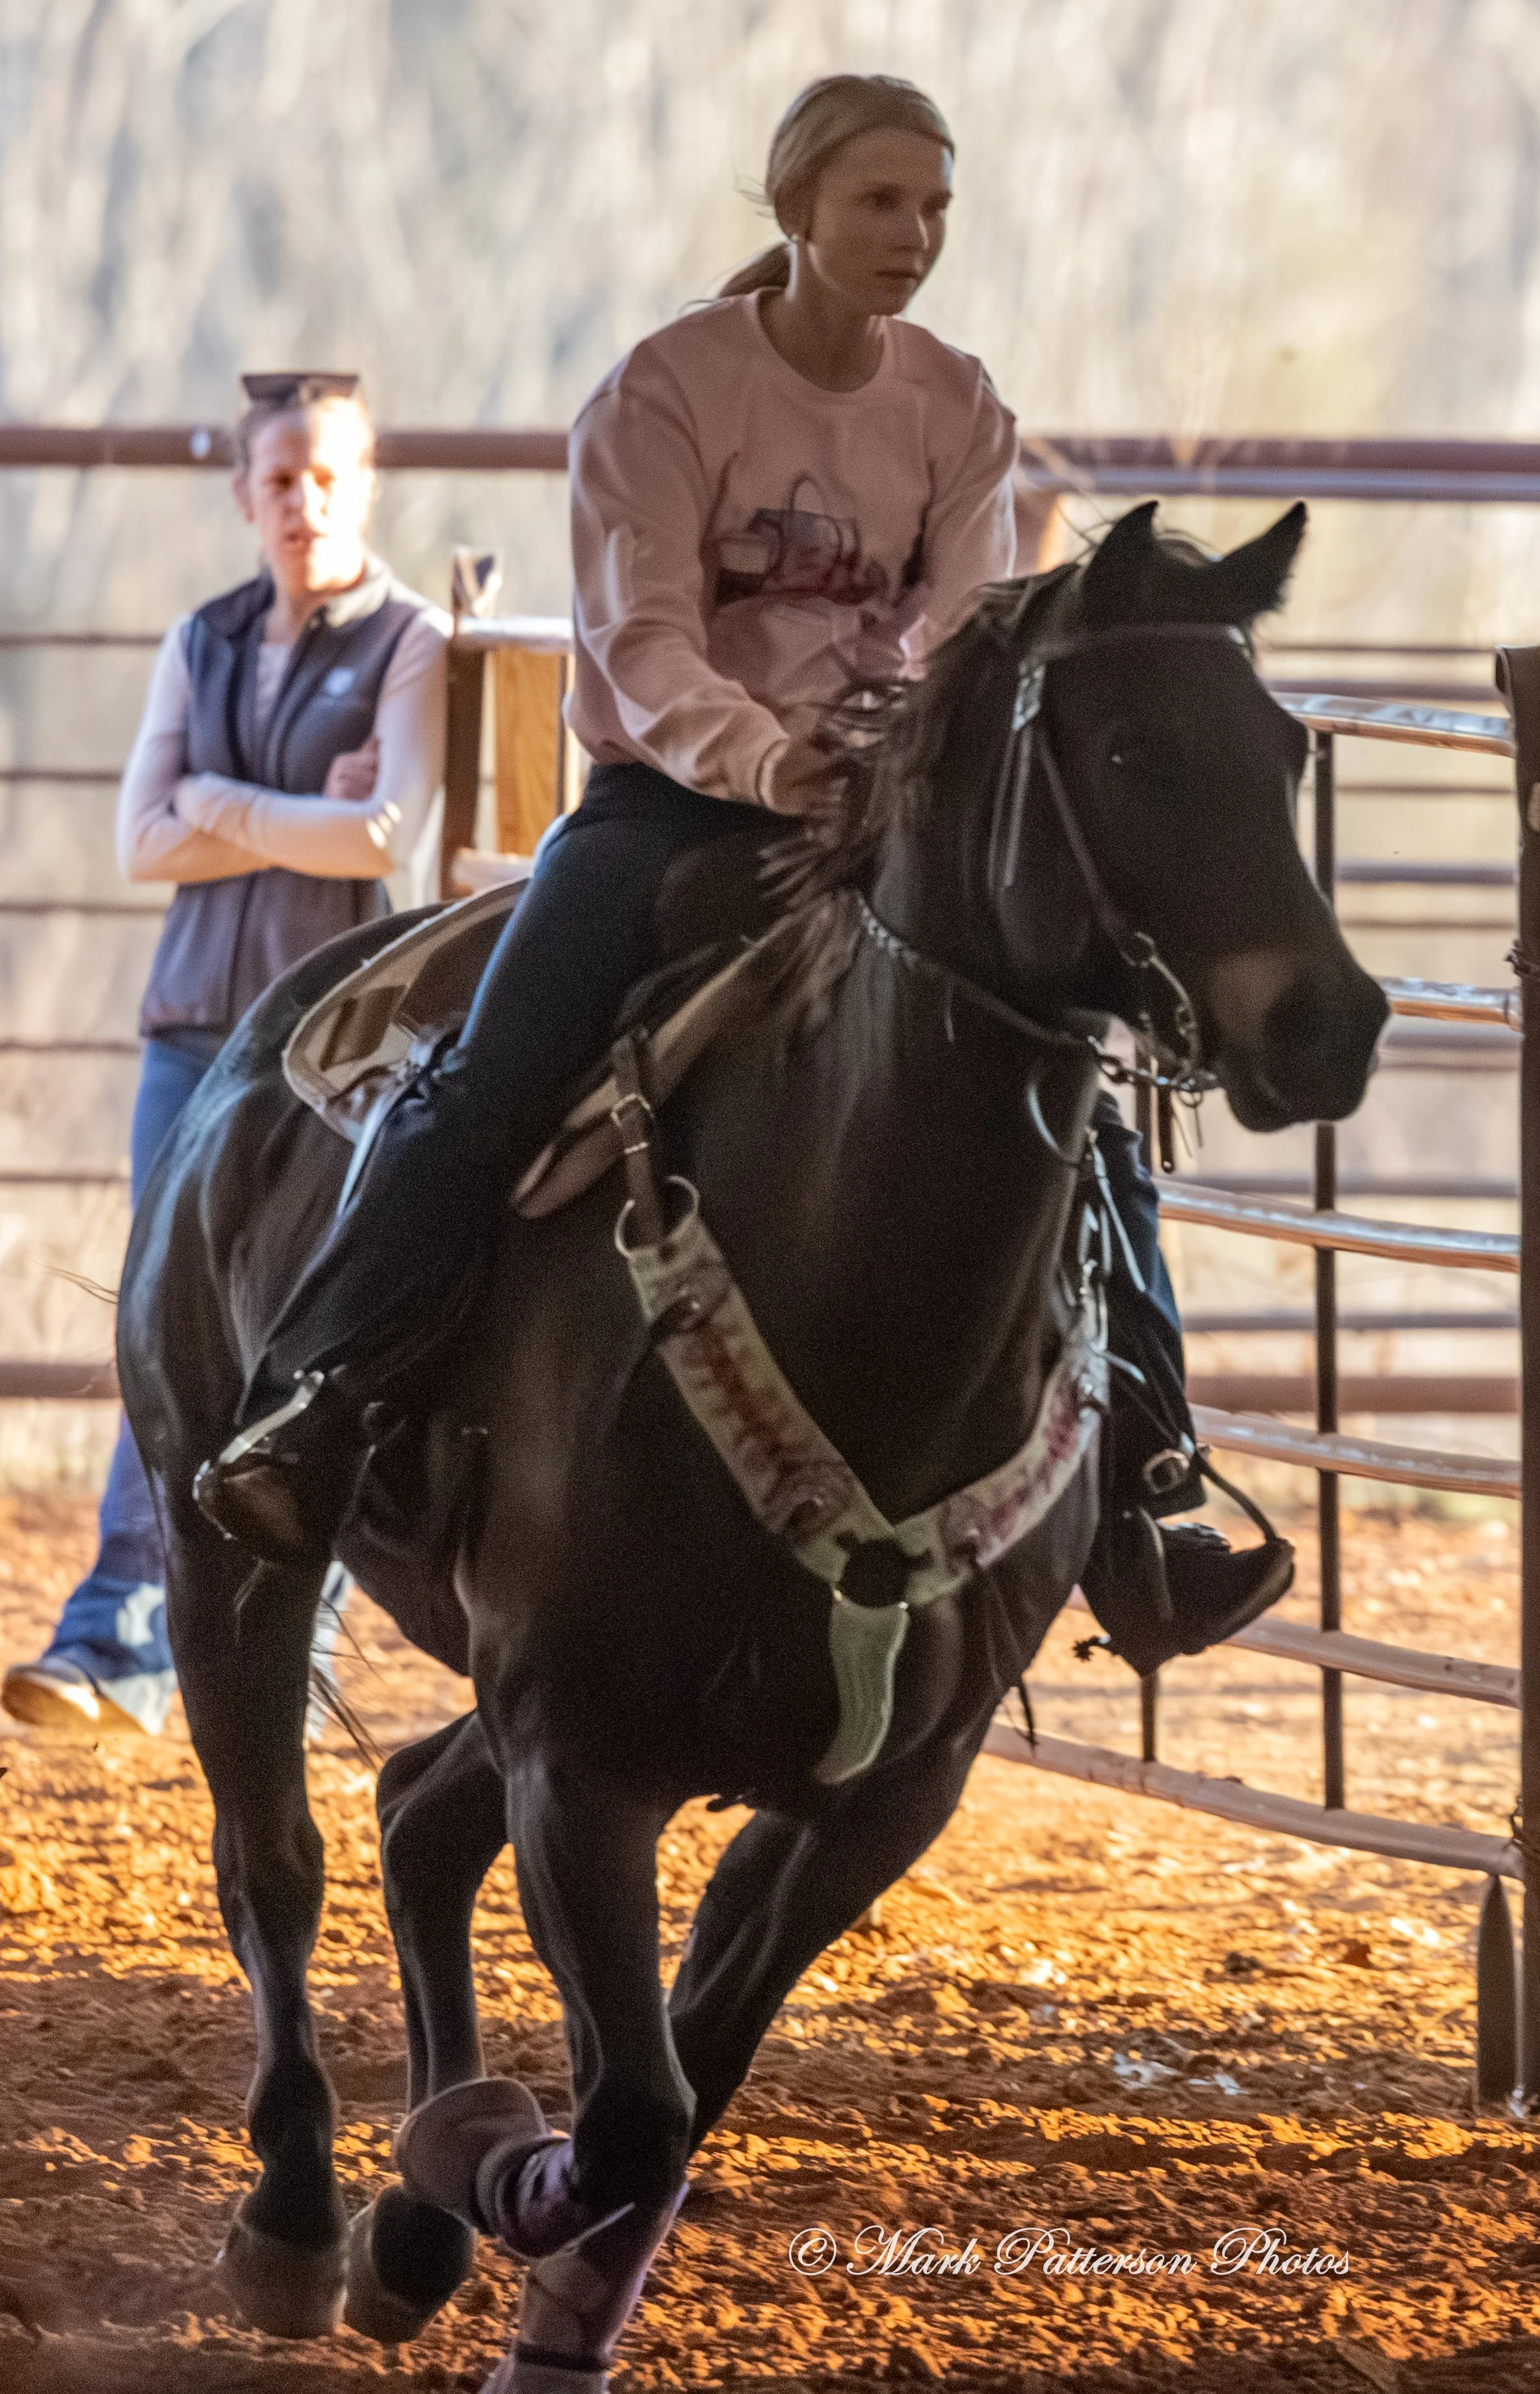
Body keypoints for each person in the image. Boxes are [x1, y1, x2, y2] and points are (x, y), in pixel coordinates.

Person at [194, 78, 1285, 1657]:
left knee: (1068, 1087)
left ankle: (1139, 1490)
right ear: (794, 212)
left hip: (880, 815)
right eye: (877, 205)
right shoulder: (667, 394)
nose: (910, 237)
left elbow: (965, 625)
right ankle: (317, 1400)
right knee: (497, 1072)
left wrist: (896, 757)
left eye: (932, 208)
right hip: (672, 805)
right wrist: (769, 753)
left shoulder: (954, 402)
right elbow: (638, 642)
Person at [1, 373, 450, 1737]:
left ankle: (288, 1630)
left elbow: (380, 836)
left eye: (327, 477)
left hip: (331, 1038)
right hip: (196, 1020)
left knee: (311, 1322)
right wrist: (287, 811)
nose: (302, 502)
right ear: (245, 493)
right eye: (278, 479)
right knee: (163, 1321)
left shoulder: (413, 640)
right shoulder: (199, 638)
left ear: (363, 486)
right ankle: (113, 1628)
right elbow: (142, 839)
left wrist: (215, 798)